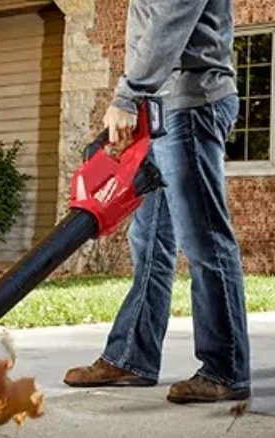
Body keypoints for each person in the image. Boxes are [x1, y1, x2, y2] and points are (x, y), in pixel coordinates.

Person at [63, 0, 252, 404]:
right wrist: (138, 101)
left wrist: (129, 94)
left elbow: (170, 20)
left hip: (192, 103)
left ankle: (226, 368)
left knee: (204, 239)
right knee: (149, 242)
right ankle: (131, 356)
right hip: (160, 110)